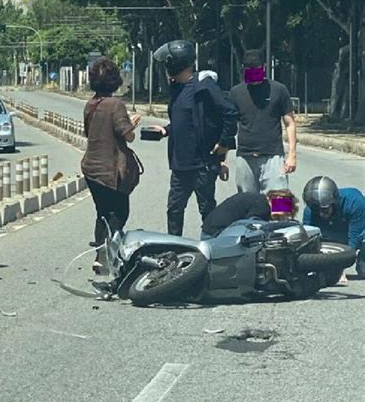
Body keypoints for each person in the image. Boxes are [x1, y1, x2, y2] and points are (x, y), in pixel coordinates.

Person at [150, 40, 238, 237]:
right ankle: (174, 249)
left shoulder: (204, 86)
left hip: (203, 164)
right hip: (180, 165)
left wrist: (224, 143)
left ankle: (210, 250)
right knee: (174, 209)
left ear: (176, 63)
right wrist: (166, 130)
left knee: (207, 211)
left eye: (168, 62)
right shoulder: (177, 88)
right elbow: (187, 121)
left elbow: (230, 113)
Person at [81, 57, 142, 273]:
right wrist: (132, 124)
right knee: (119, 213)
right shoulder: (116, 105)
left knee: (102, 213)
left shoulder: (90, 104)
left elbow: (89, 133)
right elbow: (128, 136)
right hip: (110, 170)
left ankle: (100, 255)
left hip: (90, 168)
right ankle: (109, 254)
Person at [229, 49, 297, 194]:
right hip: (245, 157)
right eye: (249, 69)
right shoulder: (235, 93)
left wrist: (292, 155)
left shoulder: (279, 90)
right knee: (247, 206)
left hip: (273, 156)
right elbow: (228, 127)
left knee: (280, 204)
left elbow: (290, 123)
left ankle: (282, 218)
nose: (253, 72)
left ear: (264, 67)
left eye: (256, 69)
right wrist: (222, 159)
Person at [303, 176, 365, 281]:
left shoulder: (355, 202)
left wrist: (340, 267)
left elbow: (354, 237)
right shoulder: (309, 211)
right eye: (316, 210)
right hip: (330, 238)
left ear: (334, 202)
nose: (321, 214)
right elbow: (308, 241)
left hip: (358, 235)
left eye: (324, 210)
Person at [201, 189, 298, 239]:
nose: (283, 214)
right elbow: (252, 227)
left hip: (209, 230)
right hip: (215, 235)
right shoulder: (262, 205)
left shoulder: (257, 199)